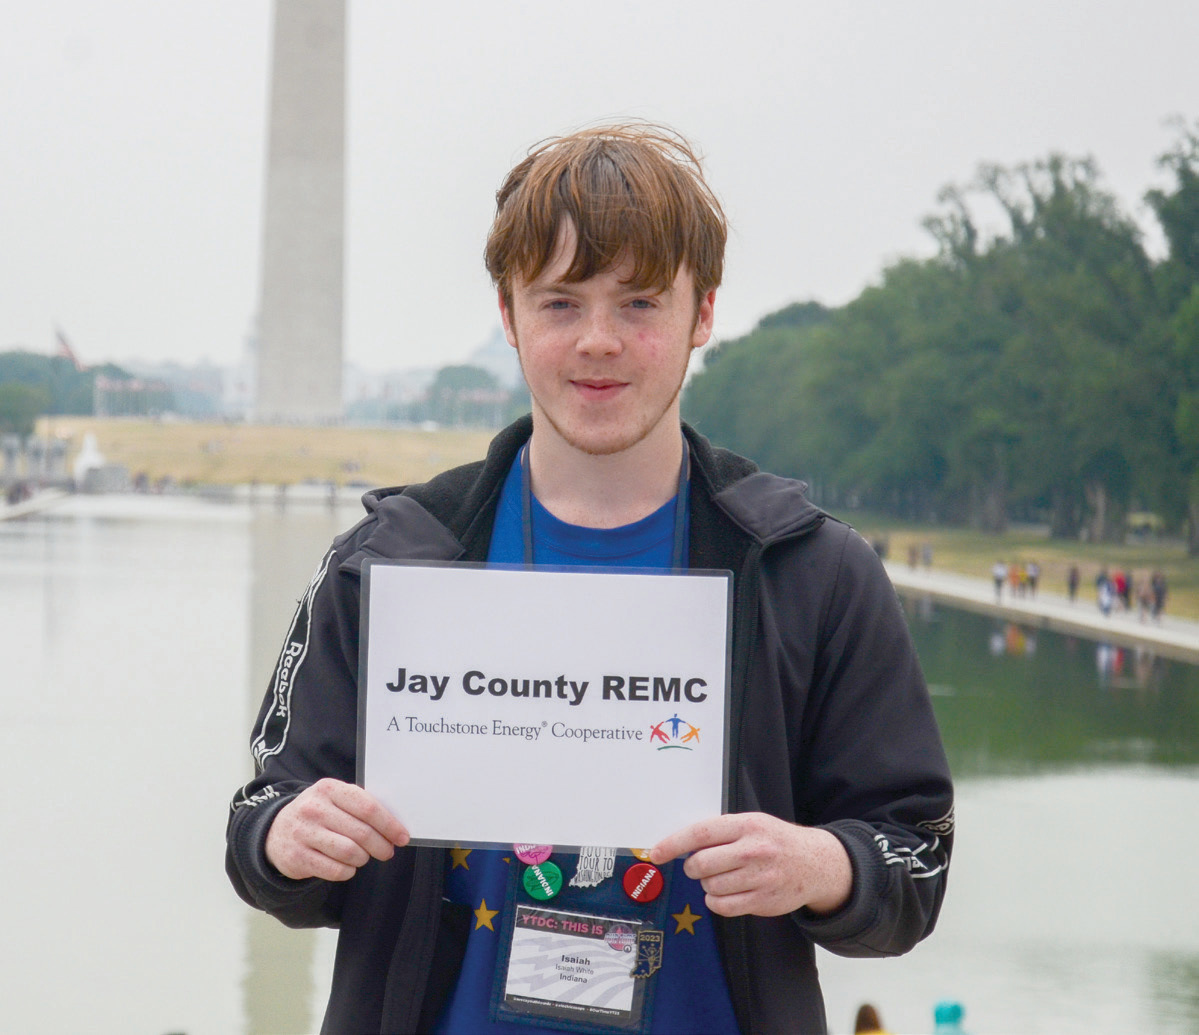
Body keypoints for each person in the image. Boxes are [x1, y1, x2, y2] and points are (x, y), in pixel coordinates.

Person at [225, 123, 954, 1034]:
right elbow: (259, 822)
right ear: (509, 315)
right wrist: (287, 839)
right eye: (560, 302)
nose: (597, 341)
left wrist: (821, 867)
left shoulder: (814, 572)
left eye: (640, 303)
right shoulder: (386, 562)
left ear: (703, 314)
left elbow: (914, 856)